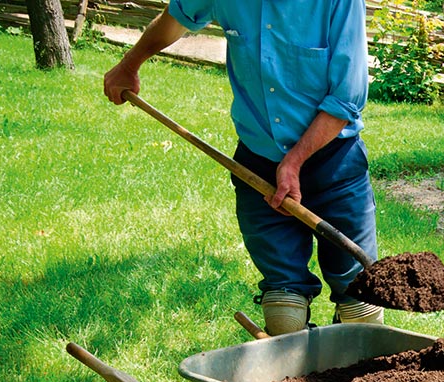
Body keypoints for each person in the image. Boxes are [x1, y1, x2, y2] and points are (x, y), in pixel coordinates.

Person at [104, 0, 384, 335]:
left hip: (334, 164)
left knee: (362, 307)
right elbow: (175, 19)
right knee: (284, 313)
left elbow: (347, 96)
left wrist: (294, 162)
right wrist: (129, 64)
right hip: (257, 165)